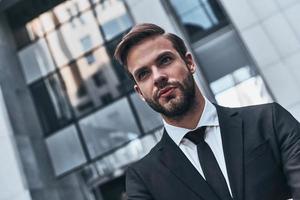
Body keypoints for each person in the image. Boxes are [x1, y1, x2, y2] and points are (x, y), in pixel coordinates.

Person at [114, 23, 300, 200]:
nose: (158, 77)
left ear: (189, 63)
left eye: (165, 60)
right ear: (140, 93)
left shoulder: (269, 121)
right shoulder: (143, 179)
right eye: (143, 74)